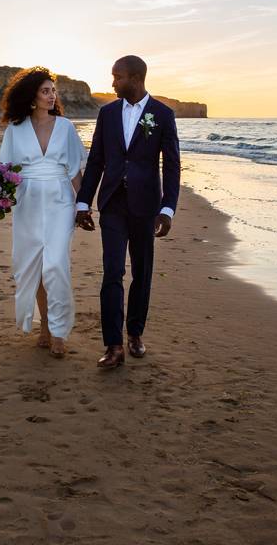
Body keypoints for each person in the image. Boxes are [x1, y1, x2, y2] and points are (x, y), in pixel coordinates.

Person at [75, 55, 180, 368]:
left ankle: (135, 333)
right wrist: (83, 202)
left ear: (135, 78)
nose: (112, 83)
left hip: (147, 206)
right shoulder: (106, 113)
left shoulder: (163, 114)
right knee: (112, 271)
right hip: (112, 204)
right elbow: (96, 161)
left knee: (142, 272)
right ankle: (114, 345)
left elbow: (172, 165)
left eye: (116, 77)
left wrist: (167, 208)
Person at [0, 67, 86, 357]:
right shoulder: (15, 129)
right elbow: (4, 169)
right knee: (33, 266)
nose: (51, 95)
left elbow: (74, 170)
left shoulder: (66, 127)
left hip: (60, 200)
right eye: (45, 90)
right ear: (32, 95)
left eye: (53, 91)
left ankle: (59, 332)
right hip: (28, 202)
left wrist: (83, 204)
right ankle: (45, 327)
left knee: (56, 265)